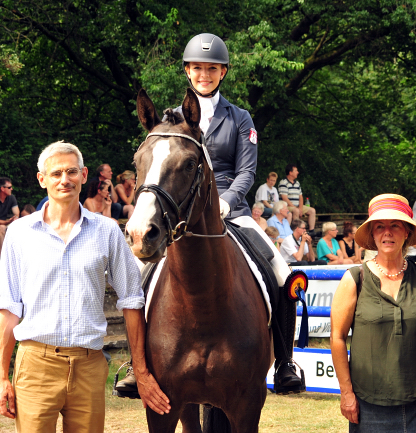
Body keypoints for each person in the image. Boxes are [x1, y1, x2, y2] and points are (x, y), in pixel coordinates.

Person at [117, 33, 304, 395]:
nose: (204, 74)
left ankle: (284, 361)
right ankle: (133, 361)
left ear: (223, 72)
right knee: (136, 275)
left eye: (212, 69)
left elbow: (248, 171)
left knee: (281, 271)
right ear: (188, 71)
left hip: (230, 211)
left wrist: (228, 200)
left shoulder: (240, 118)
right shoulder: (172, 119)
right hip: (182, 210)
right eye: (198, 68)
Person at [0, 141, 170, 432]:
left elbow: (132, 300)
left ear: (84, 175)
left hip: (88, 366)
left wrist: (140, 370)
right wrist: (1, 377)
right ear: (42, 179)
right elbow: (9, 308)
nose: (65, 180)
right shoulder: (19, 234)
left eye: (72, 171)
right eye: (56, 173)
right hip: (36, 365)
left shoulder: (108, 231)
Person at [331, 193, 416, 433]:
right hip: (368, 406)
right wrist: (346, 393)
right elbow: (337, 338)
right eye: (380, 226)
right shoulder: (354, 279)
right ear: (371, 234)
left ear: (407, 233)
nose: (387, 232)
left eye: (395, 226)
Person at [278, 164, 316, 232]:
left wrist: (300, 208)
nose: (298, 172)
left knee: (312, 211)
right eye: (296, 171)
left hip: (297, 206)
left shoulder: (297, 183)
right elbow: (285, 198)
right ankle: (296, 230)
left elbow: (300, 197)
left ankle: (311, 231)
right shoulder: (283, 182)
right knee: (296, 211)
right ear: (290, 172)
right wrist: (296, 208)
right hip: (287, 206)